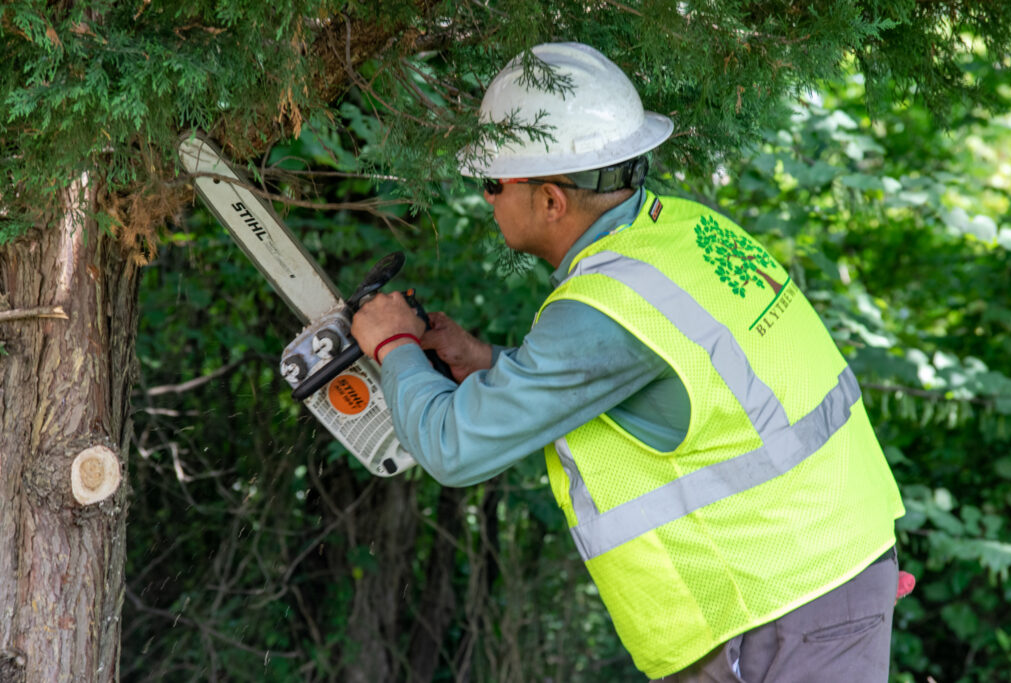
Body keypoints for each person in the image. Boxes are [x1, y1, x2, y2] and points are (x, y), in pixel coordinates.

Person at [351, 42, 905, 682]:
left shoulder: (606, 309)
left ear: (552, 201)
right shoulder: (682, 233)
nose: (485, 199)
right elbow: (660, 385)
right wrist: (489, 363)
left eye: (492, 183)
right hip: (825, 566)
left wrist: (392, 345)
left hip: (775, 602)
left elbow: (453, 448)